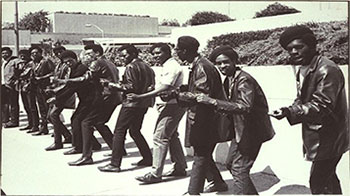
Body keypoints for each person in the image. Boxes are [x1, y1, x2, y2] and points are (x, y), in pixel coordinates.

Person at [270, 25, 349, 194]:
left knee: (318, 183)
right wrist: (287, 109)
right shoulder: (305, 67)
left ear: (313, 46)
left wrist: (291, 112)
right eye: (290, 49)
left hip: (330, 137)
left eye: (299, 47)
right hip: (320, 135)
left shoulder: (327, 69)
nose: (293, 52)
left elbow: (322, 105)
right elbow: (303, 98)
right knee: (329, 178)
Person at [195, 46, 275, 194]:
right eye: (218, 64)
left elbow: (245, 106)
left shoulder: (244, 79)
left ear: (234, 61)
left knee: (239, 168)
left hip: (251, 131)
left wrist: (212, 101)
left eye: (226, 62)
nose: (222, 66)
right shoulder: (229, 79)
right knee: (232, 164)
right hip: (241, 130)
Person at [174, 36, 227, 195]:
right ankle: (218, 183)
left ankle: (193, 192)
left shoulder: (202, 67)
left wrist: (177, 95)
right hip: (205, 118)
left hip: (205, 120)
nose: (176, 52)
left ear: (184, 51)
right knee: (203, 153)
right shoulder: (199, 65)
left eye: (177, 49)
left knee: (200, 155)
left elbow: (201, 96)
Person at [129, 43, 187, 183]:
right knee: (171, 135)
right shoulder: (166, 66)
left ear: (168, 52)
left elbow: (166, 87)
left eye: (158, 53)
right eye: (153, 53)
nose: (155, 56)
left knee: (159, 137)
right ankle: (179, 167)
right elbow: (162, 86)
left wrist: (141, 96)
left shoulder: (172, 66)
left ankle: (155, 174)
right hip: (168, 105)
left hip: (172, 106)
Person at [57, 44, 122, 166]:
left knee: (86, 123)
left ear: (97, 53)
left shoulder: (96, 63)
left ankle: (86, 156)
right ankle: (118, 149)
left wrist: (65, 81)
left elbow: (85, 78)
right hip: (114, 97)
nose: (86, 56)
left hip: (104, 97)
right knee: (99, 123)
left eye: (88, 54)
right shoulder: (110, 63)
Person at [98, 44, 154, 172]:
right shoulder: (146, 66)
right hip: (143, 103)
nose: (122, 58)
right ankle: (147, 158)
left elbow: (129, 87)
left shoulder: (131, 66)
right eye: (121, 56)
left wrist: (109, 84)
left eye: (125, 55)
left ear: (133, 54)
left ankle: (114, 163)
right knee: (135, 131)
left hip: (131, 103)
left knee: (119, 131)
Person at [27, 46, 55, 135]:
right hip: (37, 87)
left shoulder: (46, 61)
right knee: (41, 108)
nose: (34, 54)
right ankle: (44, 128)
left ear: (40, 53)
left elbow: (53, 72)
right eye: (32, 53)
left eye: (36, 52)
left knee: (48, 109)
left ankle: (57, 129)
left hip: (46, 87)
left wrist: (42, 78)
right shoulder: (32, 63)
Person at [16, 49, 34, 131]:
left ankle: (34, 124)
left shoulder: (30, 64)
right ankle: (30, 123)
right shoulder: (21, 64)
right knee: (26, 106)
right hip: (23, 86)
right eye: (21, 55)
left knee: (31, 107)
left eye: (24, 55)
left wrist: (18, 73)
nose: (22, 57)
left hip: (29, 87)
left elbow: (24, 74)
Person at [1, 47, 19, 128]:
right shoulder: (3, 62)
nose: (4, 54)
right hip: (3, 85)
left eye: (6, 53)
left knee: (13, 103)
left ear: (11, 53)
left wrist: (16, 81)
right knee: (4, 103)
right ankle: (5, 120)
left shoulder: (15, 61)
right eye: (3, 53)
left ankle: (14, 121)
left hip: (11, 86)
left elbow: (20, 71)